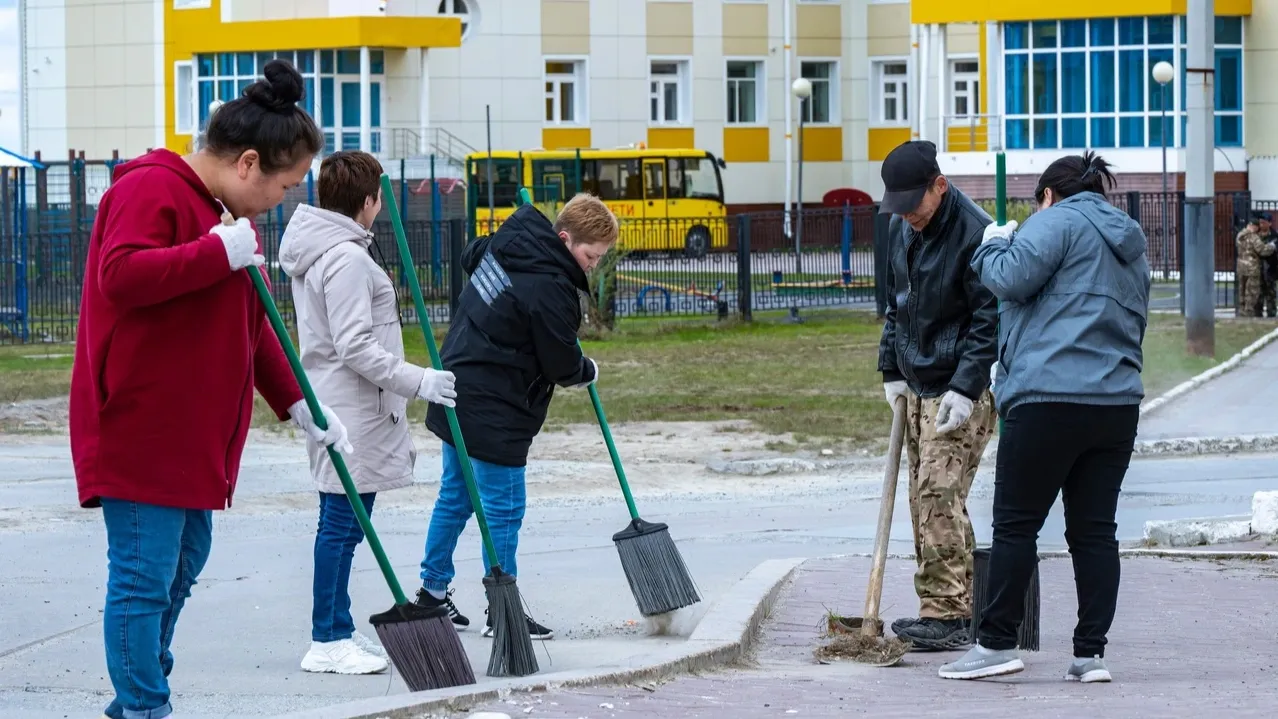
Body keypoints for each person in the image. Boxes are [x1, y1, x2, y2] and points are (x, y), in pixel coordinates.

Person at [70, 60, 351, 719]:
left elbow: (249, 325)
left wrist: (299, 401)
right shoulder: (151, 191)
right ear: (249, 162)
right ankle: (144, 705)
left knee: (184, 560)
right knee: (144, 576)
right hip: (140, 426)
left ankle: (139, 692)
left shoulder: (222, 217)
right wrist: (214, 254)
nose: (285, 199)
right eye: (285, 184)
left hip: (190, 436)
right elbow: (122, 276)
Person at [940, 151, 1150, 683]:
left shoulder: (1055, 219)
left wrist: (991, 247)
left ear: (1048, 195)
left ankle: (995, 645)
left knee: (1015, 526)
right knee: (1095, 531)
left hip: (1048, 399)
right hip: (1117, 404)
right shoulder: (1130, 240)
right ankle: (1089, 655)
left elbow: (1010, 278)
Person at [278, 151, 459, 675]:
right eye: (380, 196)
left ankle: (335, 625)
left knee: (343, 525)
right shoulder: (347, 258)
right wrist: (419, 380)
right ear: (368, 201)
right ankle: (327, 638)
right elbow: (355, 345)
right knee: (340, 525)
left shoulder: (332, 250)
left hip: (344, 403)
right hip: (353, 409)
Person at [414, 194, 618, 640]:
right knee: (504, 508)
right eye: (589, 256)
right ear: (564, 239)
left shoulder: (509, 244)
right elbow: (562, 364)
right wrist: (588, 370)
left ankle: (431, 594)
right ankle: (502, 611)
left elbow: (472, 255)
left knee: (456, 496)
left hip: (455, 386)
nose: (592, 267)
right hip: (496, 408)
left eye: (600, 259)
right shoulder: (551, 286)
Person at [876, 140, 998, 651]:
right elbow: (895, 306)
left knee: (938, 495)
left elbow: (990, 321)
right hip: (917, 384)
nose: (908, 216)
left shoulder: (977, 233)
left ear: (939, 186)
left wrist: (966, 388)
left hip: (960, 388)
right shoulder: (899, 226)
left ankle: (946, 615)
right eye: (899, 207)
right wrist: (890, 367)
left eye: (915, 205)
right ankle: (959, 608)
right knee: (922, 502)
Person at [1235, 212, 1274, 318]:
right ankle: (1249, 313)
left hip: (1241, 267)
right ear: (1255, 226)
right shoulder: (1254, 237)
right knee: (1252, 292)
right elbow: (1262, 250)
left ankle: (1242, 312)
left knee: (1242, 290)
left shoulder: (1240, 235)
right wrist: (1272, 246)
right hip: (1252, 268)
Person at [1253, 213, 1278, 318]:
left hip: (1270, 268)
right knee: (1258, 293)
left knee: (1271, 293)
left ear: (1269, 223)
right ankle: (1257, 314)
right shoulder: (1255, 235)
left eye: (1264, 222)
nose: (1261, 225)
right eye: (1260, 222)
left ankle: (1271, 313)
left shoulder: (1274, 236)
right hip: (1257, 268)